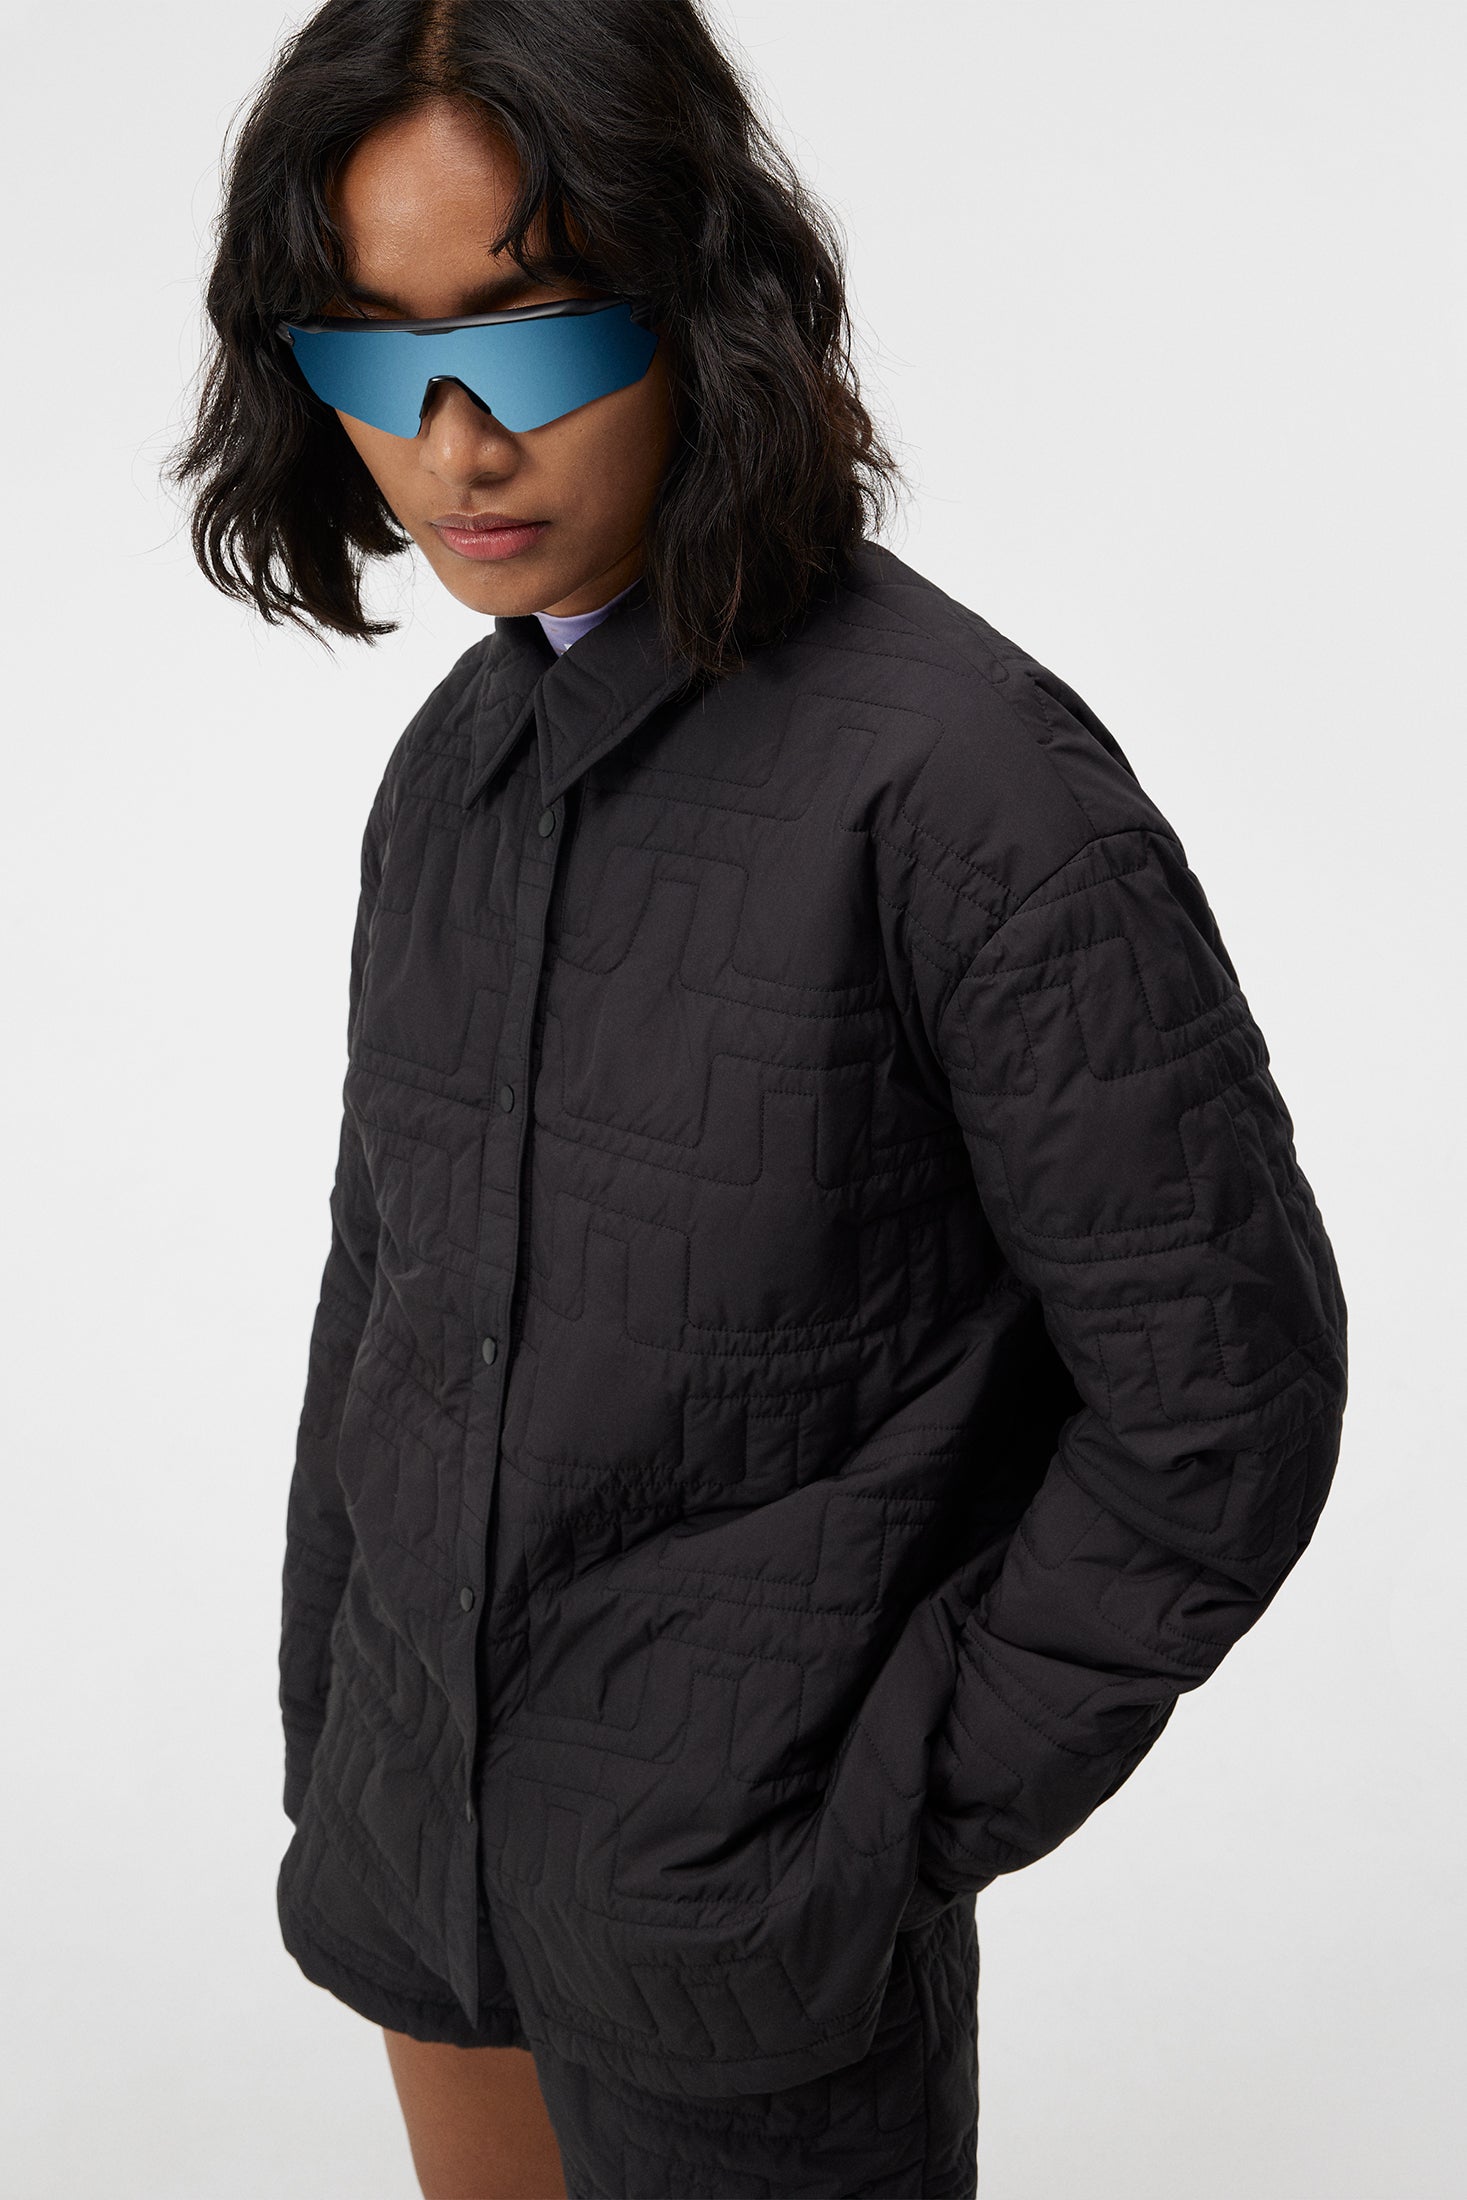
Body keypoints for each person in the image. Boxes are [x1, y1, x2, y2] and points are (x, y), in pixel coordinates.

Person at [165, 3, 1350, 2195]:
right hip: (427, 1876)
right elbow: (384, 1297)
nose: (450, 444)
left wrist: (861, 1825)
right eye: (371, 357)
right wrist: (341, 1724)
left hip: (748, 1964)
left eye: (527, 333)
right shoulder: (453, 769)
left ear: (698, 297)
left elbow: (1223, 1403)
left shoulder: (967, 782)